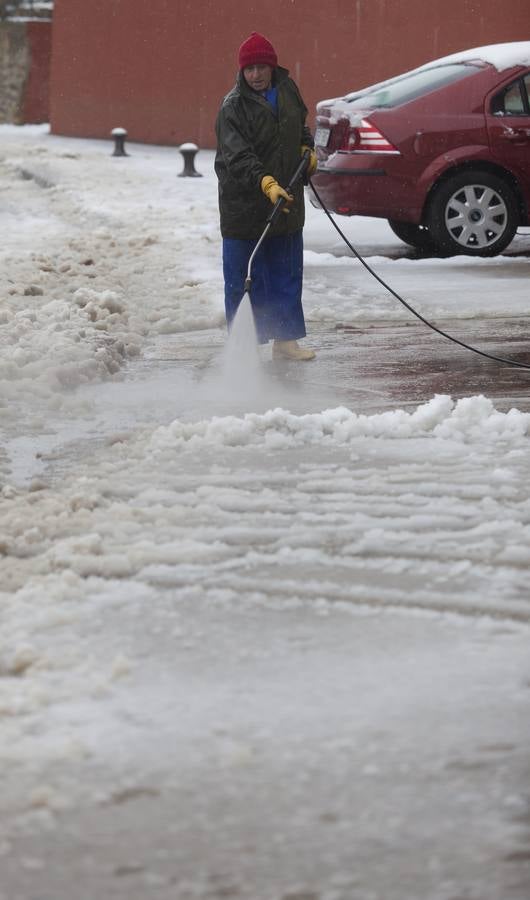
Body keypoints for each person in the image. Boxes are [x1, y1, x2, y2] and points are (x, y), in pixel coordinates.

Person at [215, 32, 318, 361]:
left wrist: (307, 149)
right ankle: (245, 348)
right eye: (249, 69)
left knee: (286, 272)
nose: (256, 75)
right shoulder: (233, 106)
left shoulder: (287, 90)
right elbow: (238, 157)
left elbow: (299, 126)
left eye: (261, 67)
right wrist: (265, 183)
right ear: (241, 72)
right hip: (244, 206)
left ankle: (286, 341)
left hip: (285, 200)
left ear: (272, 67)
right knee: (244, 277)